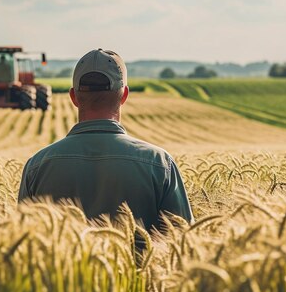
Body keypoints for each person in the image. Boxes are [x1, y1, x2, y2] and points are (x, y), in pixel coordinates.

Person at [17, 48, 193, 232]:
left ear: (74, 97)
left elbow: (23, 241)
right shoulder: (159, 164)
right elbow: (181, 240)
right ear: (124, 95)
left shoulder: (37, 166)